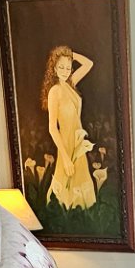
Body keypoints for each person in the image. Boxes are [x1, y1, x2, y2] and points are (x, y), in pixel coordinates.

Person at [41, 45, 98, 210]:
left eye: (68, 67)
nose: (65, 71)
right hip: (65, 144)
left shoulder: (70, 83)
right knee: (64, 184)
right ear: (54, 68)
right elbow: (52, 128)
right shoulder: (55, 91)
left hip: (77, 142)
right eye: (61, 67)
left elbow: (88, 64)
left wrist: (69, 54)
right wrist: (65, 157)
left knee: (80, 182)